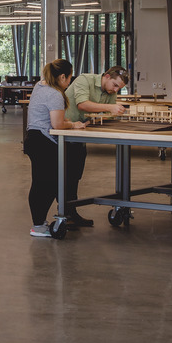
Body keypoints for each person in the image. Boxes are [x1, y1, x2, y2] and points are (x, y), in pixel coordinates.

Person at [59, 66, 131, 228]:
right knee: (65, 173)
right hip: (64, 130)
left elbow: (107, 114)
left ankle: (70, 212)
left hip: (80, 133)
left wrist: (103, 115)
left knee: (75, 173)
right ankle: (64, 213)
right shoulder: (84, 80)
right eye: (115, 85)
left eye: (119, 88)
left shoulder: (110, 91)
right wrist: (110, 108)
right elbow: (82, 104)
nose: (116, 90)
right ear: (106, 76)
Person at [23, 58, 87, 238]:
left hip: (34, 138)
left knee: (41, 183)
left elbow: (48, 116)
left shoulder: (40, 86)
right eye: (69, 78)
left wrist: (67, 122)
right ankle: (38, 226)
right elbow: (57, 124)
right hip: (43, 142)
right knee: (46, 184)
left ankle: (40, 223)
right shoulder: (55, 94)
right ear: (62, 77)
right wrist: (73, 125)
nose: (69, 83)